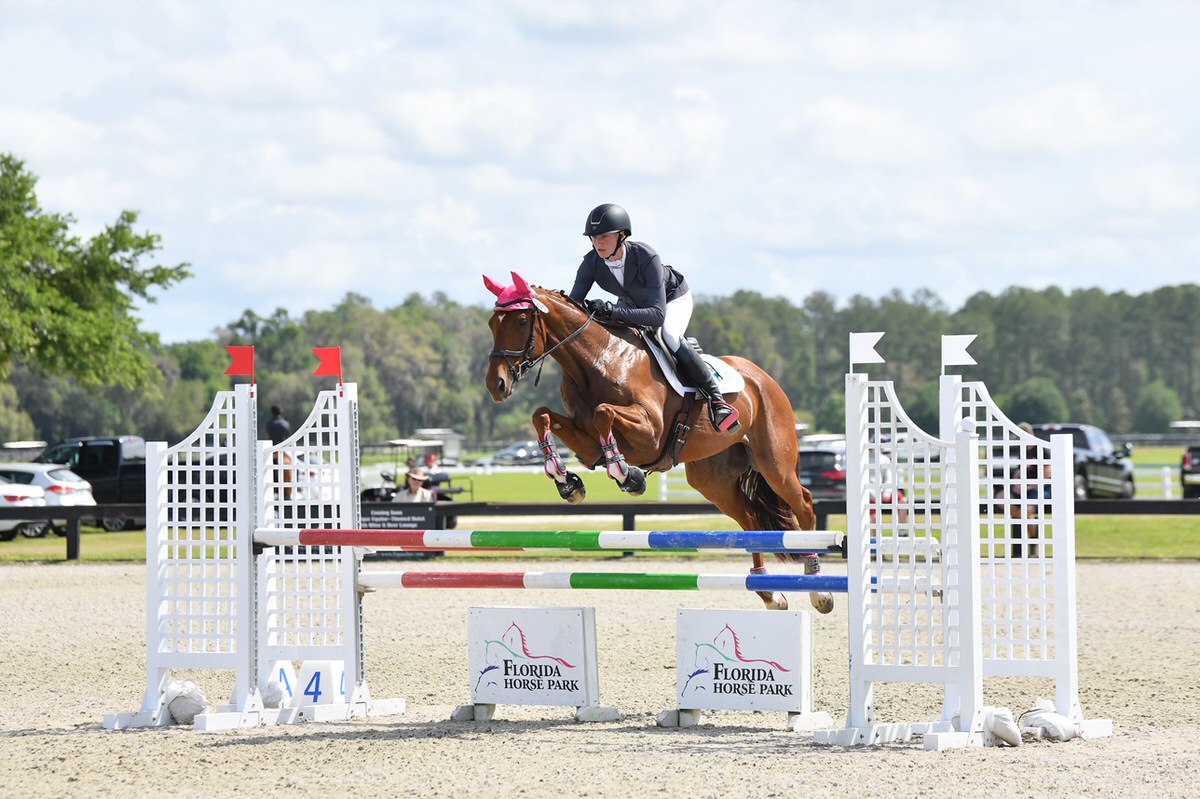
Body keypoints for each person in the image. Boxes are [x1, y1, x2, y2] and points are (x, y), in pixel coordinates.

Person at [569, 203, 741, 433]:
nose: (598, 242)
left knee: (669, 335)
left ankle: (717, 400)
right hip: (632, 304)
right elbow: (573, 304)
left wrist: (612, 311)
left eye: (604, 237)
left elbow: (657, 316)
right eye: (593, 237)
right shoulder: (591, 263)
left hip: (670, 300)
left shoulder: (645, 256)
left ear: (622, 236)